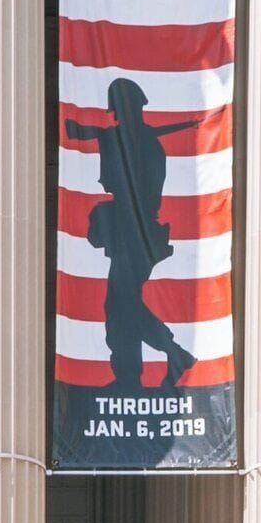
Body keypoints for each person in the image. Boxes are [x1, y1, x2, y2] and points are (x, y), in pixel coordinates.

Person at [82, 75, 191, 391]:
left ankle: (163, 358)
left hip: (138, 232)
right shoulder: (128, 141)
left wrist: (109, 141)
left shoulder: (146, 146)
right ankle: (151, 364)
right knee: (122, 305)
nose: (117, 115)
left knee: (121, 306)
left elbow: (139, 190)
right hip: (128, 234)